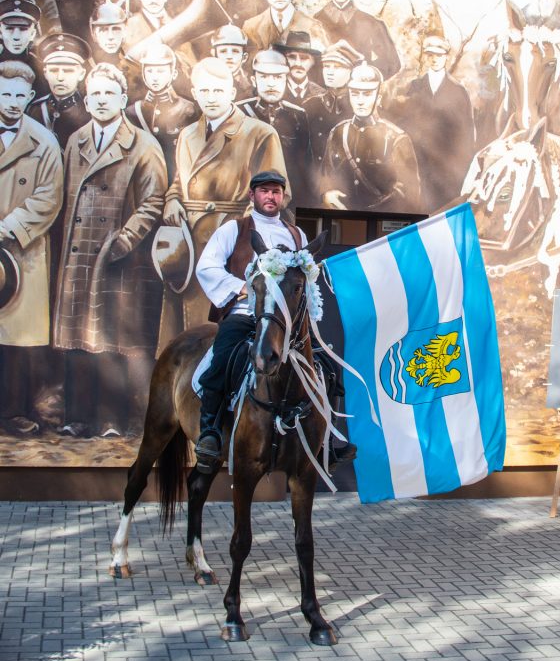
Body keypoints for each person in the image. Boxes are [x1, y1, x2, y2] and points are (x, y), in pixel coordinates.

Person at [193, 169, 356, 473]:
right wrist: (240, 287)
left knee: (327, 368)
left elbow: (306, 278)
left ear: (283, 197)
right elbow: (207, 266)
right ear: (252, 195)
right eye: (264, 191)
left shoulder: (296, 235)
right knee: (222, 359)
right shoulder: (234, 230)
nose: (271, 196)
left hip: (288, 322)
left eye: (276, 191)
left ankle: (327, 442)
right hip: (246, 313)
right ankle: (210, 432)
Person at [53, 62, 167, 437]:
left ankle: (113, 421)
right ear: (86, 101)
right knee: (78, 341)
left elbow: (154, 202)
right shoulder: (76, 140)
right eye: (95, 94)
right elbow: (66, 196)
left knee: (114, 341)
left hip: (119, 260)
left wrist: (124, 240)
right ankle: (77, 418)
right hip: (79, 256)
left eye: (109, 93)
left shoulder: (143, 145)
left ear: (122, 98)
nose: (102, 100)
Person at [157, 57, 287, 351]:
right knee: (181, 345)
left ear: (232, 92)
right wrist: (173, 199)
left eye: (218, 91)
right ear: (194, 92)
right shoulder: (188, 134)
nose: (211, 98)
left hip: (232, 243)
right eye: (204, 91)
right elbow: (181, 178)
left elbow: (276, 191)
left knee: (216, 336)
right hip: (186, 242)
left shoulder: (260, 132)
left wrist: (243, 226)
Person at [0, 60, 63, 433]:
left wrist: (8, 226)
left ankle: (15, 412)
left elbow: (48, 197)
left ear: (29, 96)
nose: (12, 102)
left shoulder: (43, 141)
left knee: (20, 339)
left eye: (19, 95)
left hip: (23, 250)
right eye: (5, 93)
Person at [384, 35, 475, 211]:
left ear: (446, 56)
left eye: (439, 55)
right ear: (425, 57)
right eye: (430, 55)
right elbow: (404, 124)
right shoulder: (415, 86)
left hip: (446, 170)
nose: (434, 59)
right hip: (419, 165)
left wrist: (461, 168)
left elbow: (466, 133)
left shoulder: (457, 91)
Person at [321, 62, 422, 212]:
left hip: (382, 224)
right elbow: (325, 175)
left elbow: (408, 194)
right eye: (355, 94)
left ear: (379, 97)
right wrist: (326, 194)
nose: (360, 100)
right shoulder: (338, 132)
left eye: (367, 94)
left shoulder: (396, 138)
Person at [239, 48, 314, 205]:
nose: (271, 83)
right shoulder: (239, 112)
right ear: (254, 80)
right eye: (264, 76)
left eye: (278, 77)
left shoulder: (298, 115)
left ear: (286, 80)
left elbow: (304, 166)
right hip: (244, 200)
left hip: (285, 201)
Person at [313, 0, 400, 80]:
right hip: (323, 93)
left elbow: (393, 63)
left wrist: (367, 73)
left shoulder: (370, 23)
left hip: (359, 92)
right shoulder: (315, 22)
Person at [125, 41, 196, 180]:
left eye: (160, 71)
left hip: (177, 181)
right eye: (149, 71)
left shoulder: (188, 110)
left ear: (173, 73)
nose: (155, 77)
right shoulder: (132, 112)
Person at [304, 38, 363, 165]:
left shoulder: (359, 108)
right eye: (326, 66)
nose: (330, 72)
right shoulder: (310, 106)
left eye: (337, 67)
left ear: (351, 71)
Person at [28, 32, 90, 149]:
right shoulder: (34, 109)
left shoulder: (89, 111)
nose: (60, 77)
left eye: (68, 71)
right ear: (45, 73)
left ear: (81, 74)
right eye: (54, 70)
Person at [0, 0, 46, 94]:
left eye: (23, 29)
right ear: (0, 32)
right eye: (9, 28)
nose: (16, 37)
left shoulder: (40, 69)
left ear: (33, 34)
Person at [274, 29, 324, 103]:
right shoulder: (274, 90)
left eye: (303, 58)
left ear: (312, 61)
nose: (298, 63)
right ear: (284, 59)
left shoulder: (321, 94)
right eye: (292, 57)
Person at [209, 23, 252, 99]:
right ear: (214, 55)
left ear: (244, 57)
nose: (229, 56)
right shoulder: (206, 82)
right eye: (223, 51)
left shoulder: (253, 81)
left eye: (235, 51)